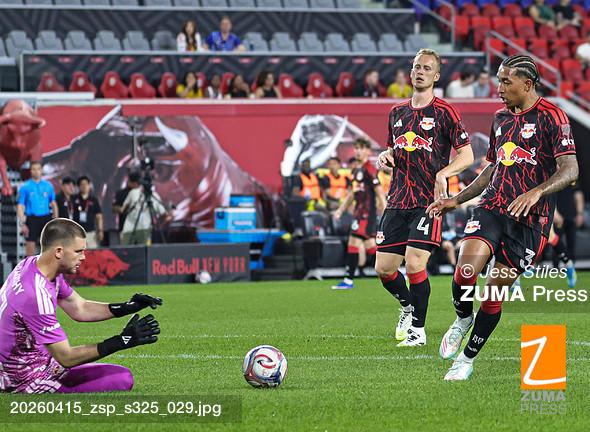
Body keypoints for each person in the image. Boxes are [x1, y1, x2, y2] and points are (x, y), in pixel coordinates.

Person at [427, 55, 578, 381]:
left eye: (506, 82)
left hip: (530, 220)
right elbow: (493, 168)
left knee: (493, 294)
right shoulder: (500, 118)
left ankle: (466, 359)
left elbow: (571, 170)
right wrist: (457, 199)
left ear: (527, 84)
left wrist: (536, 192)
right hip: (493, 206)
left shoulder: (553, 117)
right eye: (499, 81)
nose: (499, 89)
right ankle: (462, 319)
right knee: (465, 270)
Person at [375, 48, 474, 346]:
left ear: (437, 75)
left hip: (428, 202)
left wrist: (444, 173)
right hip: (397, 200)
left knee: (415, 263)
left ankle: (417, 331)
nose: (420, 72)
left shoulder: (445, 111)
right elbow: (394, 149)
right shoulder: (397, 112)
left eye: (427, 68)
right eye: (417, 67)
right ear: (411, 71)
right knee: (384, 269)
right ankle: (407, 306)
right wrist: (385, 155)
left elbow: (467, 155)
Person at [0, 218, 162, 393]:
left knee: (117, 374)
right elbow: (66, 357)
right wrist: (122, 340)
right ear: (59, 252)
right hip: (23, 378)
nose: (83, 257)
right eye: (78, 251)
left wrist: (127, 307)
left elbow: (79, 308)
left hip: (36, 360)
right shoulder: (35, 295)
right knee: (123, 378)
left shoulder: (32, 265)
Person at [332, 139, 387, 289]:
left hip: (366, 214)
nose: (358, 151)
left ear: (368, 151)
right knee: (370, 246)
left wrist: (386, 213)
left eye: (361, 148)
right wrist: (341, 210)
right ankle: (394, 270)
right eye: (356, 148)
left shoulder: (370, 170)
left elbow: (379, 193)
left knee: (353, 242)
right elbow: (352, 194)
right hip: (359, 213)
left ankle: (348, 280)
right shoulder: (356, 170)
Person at [17, 161, 58, 256]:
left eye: (38, 169)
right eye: (34, 169)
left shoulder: (48, 185)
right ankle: (30, 266)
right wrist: (22, 224)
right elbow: (20, 206)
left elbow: (53, 203)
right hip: (32, 220)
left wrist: (55, 221)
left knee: (49, 248)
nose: (36, 171)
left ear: (41, 170)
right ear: (31, 171)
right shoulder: (25, 187)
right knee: (30, 251)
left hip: (46, 218)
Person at [72, 176, 103, 249]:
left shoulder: (94, 200)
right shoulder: (74, 199)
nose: (84, 186)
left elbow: (99, 216)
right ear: (79, 187)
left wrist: (100, 230)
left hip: (91, 233)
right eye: (82, 184)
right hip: (77, 233)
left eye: (86, 184)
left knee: (93, 253)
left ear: (89, 186)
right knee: (78, 253)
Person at [112, 171, 142, 237]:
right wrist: (123, 209)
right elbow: (114, 208)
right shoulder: (121, 193)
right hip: (125, 228)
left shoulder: (142, 194)